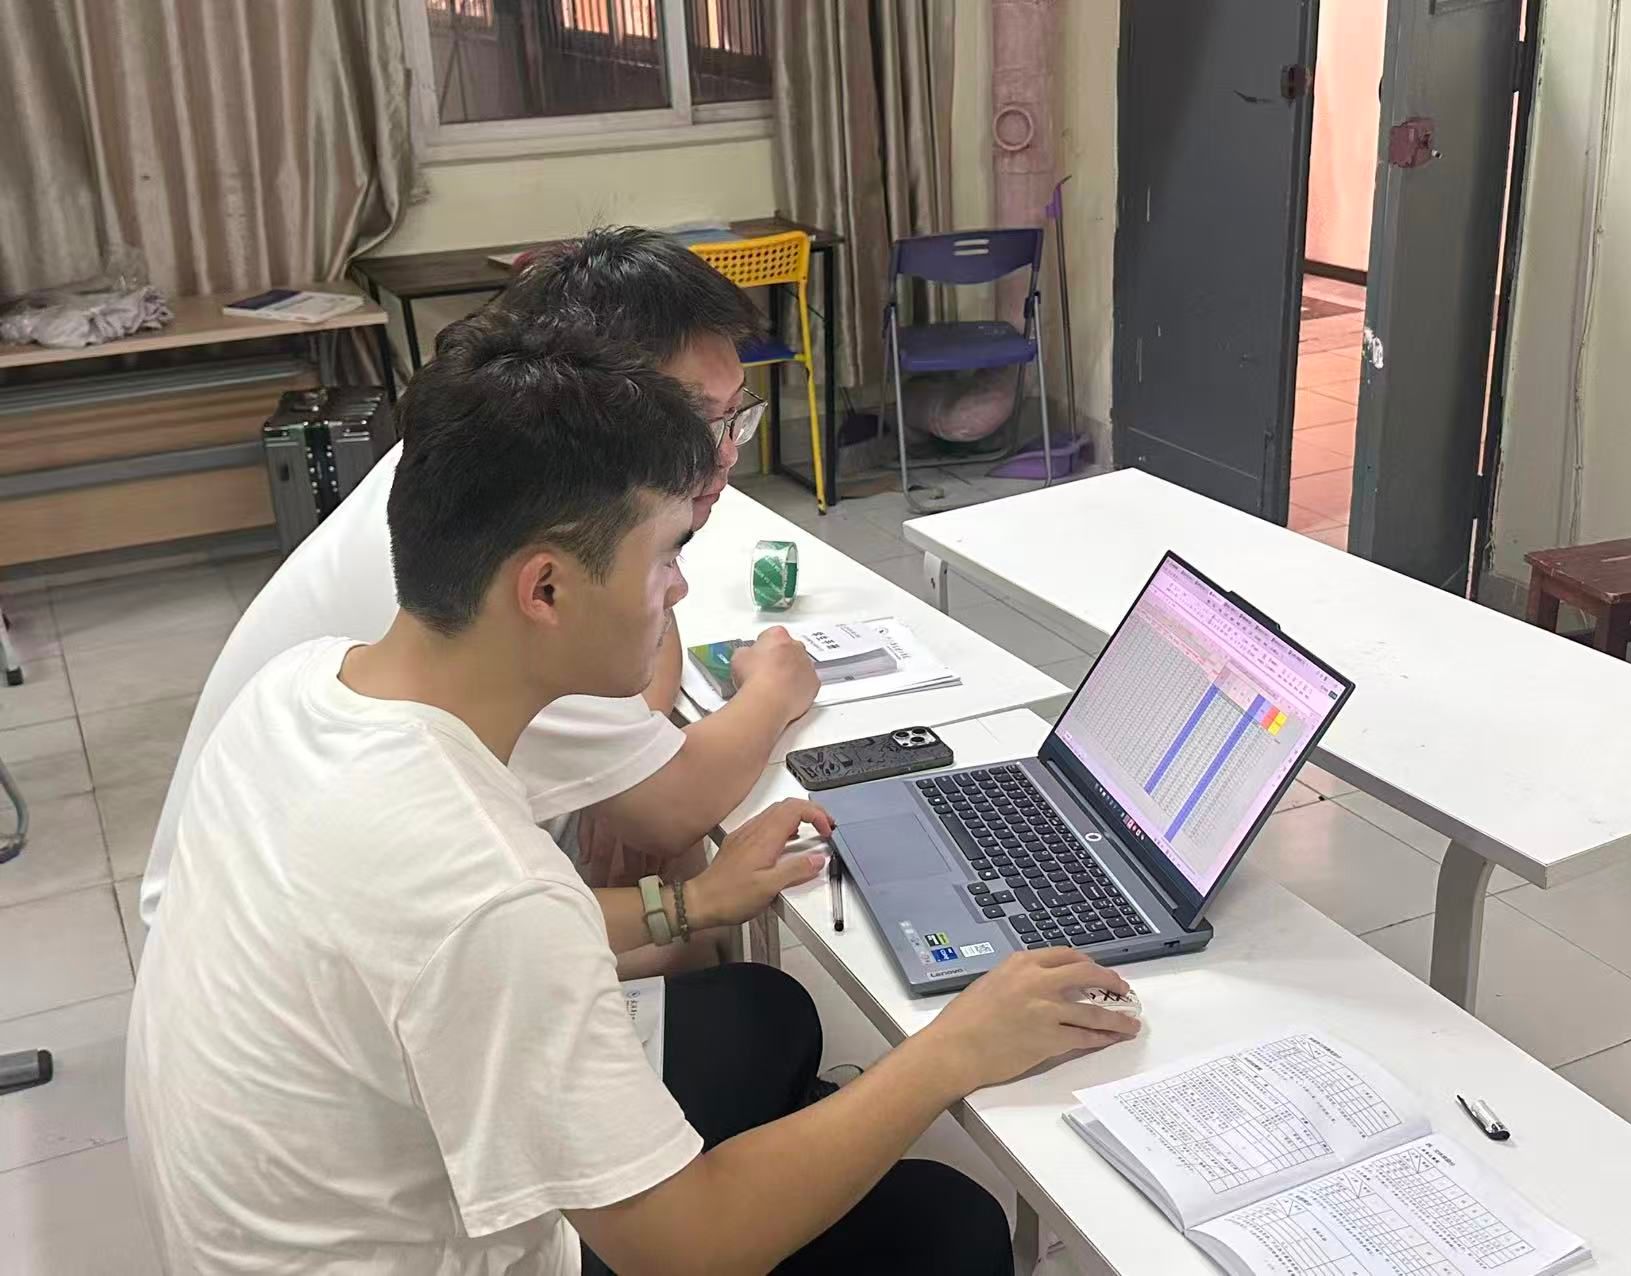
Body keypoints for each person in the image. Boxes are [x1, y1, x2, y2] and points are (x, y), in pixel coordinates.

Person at [126, 310, 1140, 1273]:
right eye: (663, 557)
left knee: (766, 1015)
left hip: (277, 1224)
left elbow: (427, 944)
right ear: (546, 589)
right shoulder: (487, 887)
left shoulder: (301, 687)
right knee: (948, 1224)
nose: (680, 590)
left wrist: (689, 903)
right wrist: (951, 1050)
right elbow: (689, 1250)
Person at [138, 227, 819, 972]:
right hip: (283, 947)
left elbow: (651, 645)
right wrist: (773, 689)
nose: (725, 454)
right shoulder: (521, 539)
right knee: (714, 947)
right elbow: (670, 807)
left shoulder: (495, 459)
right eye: (698, 424)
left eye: (735, 416)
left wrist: (622, 758)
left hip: (307, 896)